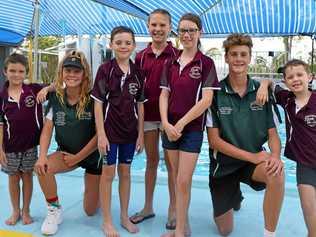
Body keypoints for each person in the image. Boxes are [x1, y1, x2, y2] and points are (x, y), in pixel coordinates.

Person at [206, 33, 284, 237]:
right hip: (223, 167)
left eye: (243, 54)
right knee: (225, 230)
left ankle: (269, 234)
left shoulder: (261, 91)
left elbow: (273, 135)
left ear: (249, 58)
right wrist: (253, 157)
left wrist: (275, 157)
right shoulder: (215, 93)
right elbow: (214, 141)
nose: (238, 59)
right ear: (226, 58)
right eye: (234, 54)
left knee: (277, 173)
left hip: (252, 165)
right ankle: (235, 195)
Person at [160, 13, 220, 237]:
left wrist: (181, 124)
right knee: (175, 177)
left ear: (199, 32)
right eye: (183, 30)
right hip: (169, 128)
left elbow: (206, 100)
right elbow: (164, 95)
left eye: (191, 30)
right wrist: (166, 123)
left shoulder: (206, 63)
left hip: (191, 130)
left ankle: (181, 231)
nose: (187, 34)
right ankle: (182, 226)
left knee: (184, 180)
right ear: (178, 33)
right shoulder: (170, 62)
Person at [34, 50, 101, 235]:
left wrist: (78, 158)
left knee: (90, 210)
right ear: (62, 72)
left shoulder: (93, 98)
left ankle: (95, 188)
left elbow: (99, 136)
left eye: (76, 71)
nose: (71, 75)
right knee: (42, 167)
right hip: (65, 154)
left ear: (84, 74)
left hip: (92, 157)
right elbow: (47, 130)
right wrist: (41, 156)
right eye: (68, 70)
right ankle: (54, 210)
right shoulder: (55, 98)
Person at [92, 26, 145, 237]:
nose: (123, 46)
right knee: (108, 175)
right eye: (119, 42)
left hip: (130, 133)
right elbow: (97, 105)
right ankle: (107, 221)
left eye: (128, 43)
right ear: (112, 45)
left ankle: (123, 216)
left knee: (125, 173)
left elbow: (140, 105)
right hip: (110, 133)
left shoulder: (137, 73)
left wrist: (141, 134)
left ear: (133, 45)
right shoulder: (106, 70)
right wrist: (101, 135)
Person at [129, 9, 178, 229]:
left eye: (162, 25)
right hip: (148, 116)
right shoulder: (139, 57)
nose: (158, 29)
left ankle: (174, 210)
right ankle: (148, 207)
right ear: (148, 27)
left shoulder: (177, 55)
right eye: (154, 25)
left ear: (169, 28)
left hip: (170, 118)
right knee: (151, 162)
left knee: (172, 165)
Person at [257, 59, 316, 237]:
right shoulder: (287, 99)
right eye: (290, 77)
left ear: (310, 77)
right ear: (285, 82)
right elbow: (268, 82)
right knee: (308, 208)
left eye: (300, 75)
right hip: (305, 164)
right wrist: (263, 85)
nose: (295, 79)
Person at [0, 53, 51, 226]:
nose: (16, 74)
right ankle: (15, 211)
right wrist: (0, 149)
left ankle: (26, 210)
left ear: (25, 73)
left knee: (27, 176)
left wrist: (46, 89)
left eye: (20, 71)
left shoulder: (33, 89)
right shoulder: (1, 97)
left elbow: (58, 85)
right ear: (5, 72)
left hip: (30, 145)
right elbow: (0, 126)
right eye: (12, 71)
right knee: (13, 178)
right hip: (10, 147)